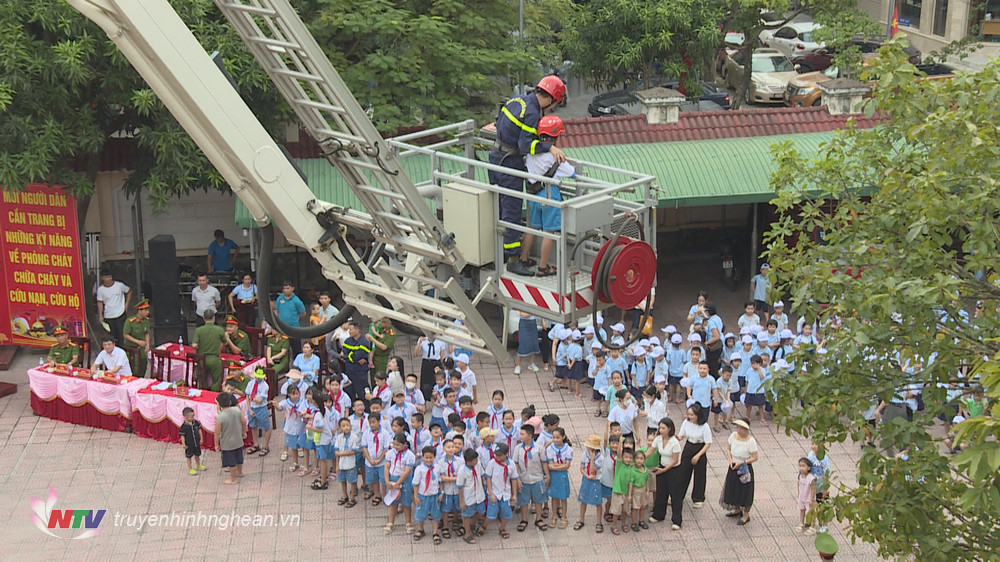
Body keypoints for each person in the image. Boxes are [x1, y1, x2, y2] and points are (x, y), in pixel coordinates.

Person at [489, 75, 567, 277]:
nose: (553, 107)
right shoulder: (532, 112)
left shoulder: (518, 99)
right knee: (512, 210)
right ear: (551, 99)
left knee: (500, 208)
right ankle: (513, 260)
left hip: (495, 158)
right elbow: (525, 145)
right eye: (555, 103)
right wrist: (549, 147)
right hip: (509, 162)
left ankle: (504, 251)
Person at [519, 115, 574, 277]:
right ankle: (543, 267)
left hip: (533, 195)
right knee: (549, 232)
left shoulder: (531, 153)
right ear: (556, 136)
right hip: (550, 196)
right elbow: (572, 173)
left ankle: (523, 258)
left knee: (532, 227)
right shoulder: (555, 156)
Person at [721, 418, 759, 525]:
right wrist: (730, 460)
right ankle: (737, 509)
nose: (739, 430)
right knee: (733, 488)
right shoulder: (733, 436)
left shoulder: (750, 441)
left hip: (744, 468)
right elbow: (728, 449)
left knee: (745, 491)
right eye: (737, 427)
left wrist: (742, 462)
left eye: (742, 428)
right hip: (733, 465)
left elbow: (755, 457)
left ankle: (746, 515)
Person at [676, 403, 712, 511]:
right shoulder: (686, 422)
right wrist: (676, 436)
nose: (689, 417)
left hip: (700, 448)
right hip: (689, 447)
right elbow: (681, 435)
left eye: (692, 415)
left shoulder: (704, 426)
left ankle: (698, 498)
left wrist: (698, 455)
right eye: (689, 414)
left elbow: (708, 443)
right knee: (683, 472)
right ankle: (679, 495)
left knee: (700, 475)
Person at [648, 417, 682, 527]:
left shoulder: (674, 442)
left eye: (663, 428)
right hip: (661, 467)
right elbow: (650, 451)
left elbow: (675, 460)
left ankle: (677, 520)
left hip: (674, 470)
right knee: (661, 492)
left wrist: (664, 470)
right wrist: (639, 459)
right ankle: (658, 515)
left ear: (669, 429)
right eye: (660, 428)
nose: (661, 430)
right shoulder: (658, 439)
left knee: (675, 495)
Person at [483, 442, 519, 539]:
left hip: (505, 493)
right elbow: (488, 478)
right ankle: (484, 526)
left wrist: (514, 494)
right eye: (496, 455)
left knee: (506, 514)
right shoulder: (492, 463)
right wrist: (491, 494)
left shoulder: (511, 464)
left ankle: (502, 528)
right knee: (491, 514)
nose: (497, 457)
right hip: (494, 492)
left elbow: (514, 479)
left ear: (506, 454)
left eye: (500, 455)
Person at [384, 433, 416, 535]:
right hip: (392, 478)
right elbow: (387, 467)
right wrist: (387, 481)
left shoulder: (410, 455)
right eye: (394, 444)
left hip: (404, 480)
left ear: (404, 444)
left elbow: (407, 471)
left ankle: (408, 523)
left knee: (406, 503)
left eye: (398, 444)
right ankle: (390, 522)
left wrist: (398, 483)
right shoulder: (390, 453)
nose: (395, 446)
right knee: (393, 502)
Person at [411, 445, 444, 543]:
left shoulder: (437, 468)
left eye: (430, 457)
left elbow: (440, 482)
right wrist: (415, 496)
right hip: (423, 495)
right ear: (423, 457)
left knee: (436, 514)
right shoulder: (419, 469)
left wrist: (442, 493)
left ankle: (435, 532)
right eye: (426, 457)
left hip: (435, 495)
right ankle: (421, 529)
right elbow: (416, 484)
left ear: (434, 457)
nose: (428, 460)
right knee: (421, 513)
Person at [576, 434, 605, 533]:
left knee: (598, 502)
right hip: (586, 480)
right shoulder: (584, 454)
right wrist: (586, 476)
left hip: (596, 481)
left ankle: (599, 522)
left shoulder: (600, 458)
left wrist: (592, 458)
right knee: (583, 500)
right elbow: (582, 468)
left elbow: (593, 469)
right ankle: (581, 519)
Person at [457, 448, 486, 544]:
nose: (477, 460)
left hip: (479, 495)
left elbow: (481, 476)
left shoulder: (478, 465)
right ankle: (467, 534)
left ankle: (472, 523)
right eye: (475, 459)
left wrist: (483, 490)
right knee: (467, 516)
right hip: (468, 497)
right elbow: (460, 487)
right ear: (469, 461)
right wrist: (461, 501)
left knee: (482, 511)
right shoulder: (462, 471)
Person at [217, 393, 247, 485]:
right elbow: (243, 421)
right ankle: (240, 472)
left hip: (227, 443)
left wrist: (216, 444)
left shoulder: (220, 417)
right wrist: (244, 432)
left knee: (231, 462)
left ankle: (233, 479)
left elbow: (217, 433)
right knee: (239, 457)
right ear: (230, 402)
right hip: (238, 439)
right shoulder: (237, 410)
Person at [545, 427, 572, 529]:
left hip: (562, 475)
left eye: (558, 437)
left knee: (563, 497)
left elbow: (567, 466)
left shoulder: (568, 449)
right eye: (554, 437)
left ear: (563, 437)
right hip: (554, 476)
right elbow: (550, 465)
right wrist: (560, 466)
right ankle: (554, 516)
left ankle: (564, 517)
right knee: (554, 496)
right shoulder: (550, 449)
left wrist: (555, 466)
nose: (555, 440)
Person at [96, 269, 131, 345]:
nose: (108, 279)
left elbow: (129, 291)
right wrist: (100, 315)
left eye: (109, 277)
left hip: (120, 313)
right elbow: (100, 302)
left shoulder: (119, 285)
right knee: (112, 336)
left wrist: (126, 304)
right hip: (108, 315)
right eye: (106, 277)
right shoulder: (100, 289)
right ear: (102, 278)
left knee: (122, 334)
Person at [334, 417, 361, 507]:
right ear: (340, 428)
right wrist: (337, 465)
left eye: (347, 425)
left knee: (352, 481)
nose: (346, 427)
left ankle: (352, 498)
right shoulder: (339, 437)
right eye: (343, 426)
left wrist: (342, 454)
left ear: (350, 426)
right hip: (341, 464)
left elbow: (353, 451)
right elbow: (336, 452)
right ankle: (345, 496)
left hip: (350, 463)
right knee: (342, 480)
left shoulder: (354, 437)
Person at [276, 384, 304, 471]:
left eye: (297, 393)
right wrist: (276, 405)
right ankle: (295, 462)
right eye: (293, 394)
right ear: (289, 394)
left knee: (304, 446)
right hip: (291, 427)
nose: (295, 396)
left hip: (301, 427)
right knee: (293, 447)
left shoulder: (302, 401)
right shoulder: (286, 402)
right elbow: (279, 408)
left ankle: (305, 463)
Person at [341, 322, 371, 401]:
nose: (349, 331)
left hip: (360, 373)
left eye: (351, 329)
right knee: (349, 395)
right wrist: (350, 357)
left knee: (363, 394)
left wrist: (348, 357)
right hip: (349, 372)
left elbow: (357, 356)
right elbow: (343, 355)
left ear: (357, 331)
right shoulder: (347, 341)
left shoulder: (364, 342)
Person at [274, 281, 306, 354]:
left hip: (294, 328)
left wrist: (295, 319)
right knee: (282, 349)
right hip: (282, 328)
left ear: (292, 288)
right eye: (284, 288)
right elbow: (276, 311)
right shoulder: (279, 299)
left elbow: (303, 313)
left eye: (288, 288)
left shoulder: (297, 300)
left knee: (296, 349)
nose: (286, 290)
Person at [121, 300, 151, 377]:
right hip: (132, 348)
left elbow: (146, 333)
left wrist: (147, 345)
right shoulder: (130, 321)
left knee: (143, 365)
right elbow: (125, 335)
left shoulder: (146, 321)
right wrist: (138, 342)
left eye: (147, 310)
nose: (147, 312)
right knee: (134, 368)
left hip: (141, 348)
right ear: (139, 311)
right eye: (145, 310)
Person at [244, 369, 271, 457]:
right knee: (253, 426)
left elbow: (260, 400)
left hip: (261, 408)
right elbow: (247, 397)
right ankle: (256, 444)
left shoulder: (264, 386)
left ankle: (265, 446)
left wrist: (252, 397)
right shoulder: (250, 383)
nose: (258, 378)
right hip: (252, 407)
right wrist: (249, 409)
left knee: (266, 427)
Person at [179, 406, 206, 475]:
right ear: (185, 416)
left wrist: (201, 438)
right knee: (189, 456)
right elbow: (182, 436)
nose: (193, 417)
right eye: (191, 416)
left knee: (197, 454)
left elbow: (199, 430)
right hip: (189, 444)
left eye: (193, 416)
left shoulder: (195, 422)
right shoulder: (184, 426)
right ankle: (190, 468)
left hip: (196, 442)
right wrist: (184, 444)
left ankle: (198, 464)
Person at [703, 302, 725, 378]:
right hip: (720, 344)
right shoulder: (717, 318)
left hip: (714, 346)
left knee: (713, 367)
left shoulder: (711, 322)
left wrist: (707, 343)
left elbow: (716, 336)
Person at [797, 457, 817, 534]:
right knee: (802, 510)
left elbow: (813, 489)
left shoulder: (811, 478)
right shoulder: (799, 475)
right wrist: (798, 493)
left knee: (811, 512)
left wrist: (811, 499)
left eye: (803, 466)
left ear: (808, 468)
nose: (801, 468)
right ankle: (801, 523)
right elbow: (798, 483)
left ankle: (812, 526)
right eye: (800, 466)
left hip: (809, 499)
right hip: (802, 497)